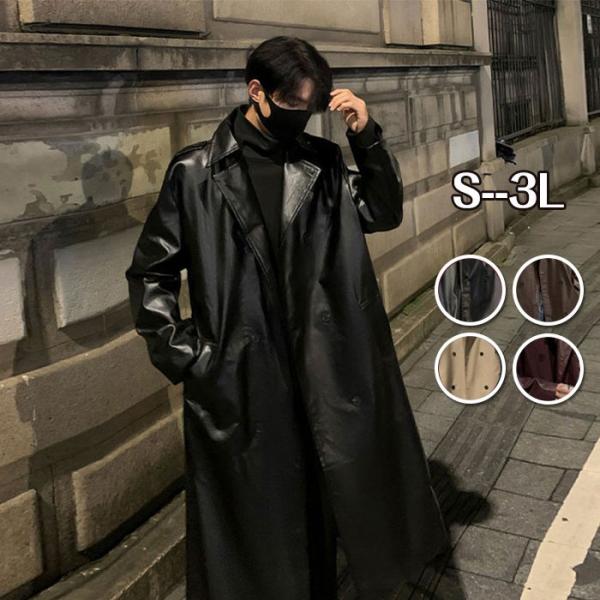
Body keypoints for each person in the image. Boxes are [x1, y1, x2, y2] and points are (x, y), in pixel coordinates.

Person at [125, 36, 449, 600]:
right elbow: (151, 272)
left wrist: (366, 136)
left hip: (320, 368)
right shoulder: (196, 172)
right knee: (254, 519)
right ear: (257, 91)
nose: (303, 116)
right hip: (240, 374)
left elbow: (382, 210)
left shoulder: (321, 162)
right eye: (293, 104)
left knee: (320, 508)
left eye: (311, 106)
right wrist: (191, 358)